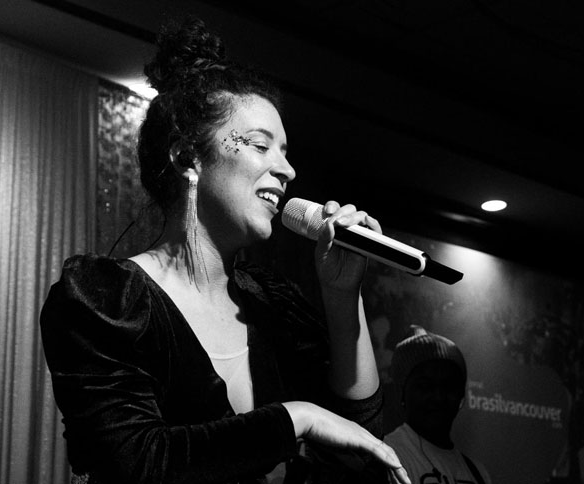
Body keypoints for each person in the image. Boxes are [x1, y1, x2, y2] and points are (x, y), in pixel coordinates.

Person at [40, 17, 410, 484]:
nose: (287, 170)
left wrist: (342, 296)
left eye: (286, 151)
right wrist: (295, 417)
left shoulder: (272, 306)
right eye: (261, 146)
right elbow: (138, 462)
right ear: (186, 157)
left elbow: (360, 444)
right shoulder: (106, 302)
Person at [384, 326, 491, 484]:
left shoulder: (478, 472)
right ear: (402, 391)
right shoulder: (387, 454)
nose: (438, 397)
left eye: (448, 386)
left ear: (461, 394)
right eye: (425, 386)